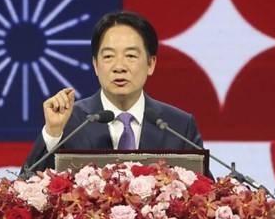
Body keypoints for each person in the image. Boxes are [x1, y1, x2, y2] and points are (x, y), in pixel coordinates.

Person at [22, 10, 205, 172]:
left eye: (131, 56)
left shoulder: (178, 126)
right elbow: (27, 185)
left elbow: (205, 195)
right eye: (109, 56)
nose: (119, 67)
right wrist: (53, 133)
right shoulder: (71, 121)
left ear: (151, 64)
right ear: (95, 65)